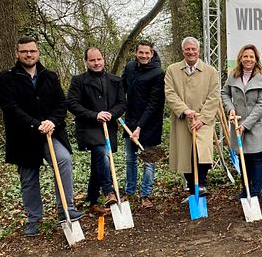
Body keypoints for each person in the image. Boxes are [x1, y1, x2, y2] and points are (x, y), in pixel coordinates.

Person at [0, 36, 83, 236]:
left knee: (64, 160)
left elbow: (61, 104)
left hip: (51, 133)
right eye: (24, 51)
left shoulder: (49, 76)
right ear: (17, 53)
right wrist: (35, 124)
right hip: (24, 137)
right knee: (29, 178)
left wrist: (52, 121)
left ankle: (66, 209)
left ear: (38, 53)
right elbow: (10, 108)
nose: (28, 54)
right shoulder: (6, 78)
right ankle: (34, 219)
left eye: (32, 51)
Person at [67, 47, 125, 214]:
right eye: (92, 60)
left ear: (103, 59)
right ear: (86, 62)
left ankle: (92, 200)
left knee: (98, 163)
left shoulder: (115, 80)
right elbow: (72, 103)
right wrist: (95, 115)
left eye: (99, 59)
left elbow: (122, 103)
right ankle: (109, 191)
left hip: (109, 126)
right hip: (89, 127)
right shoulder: (78, 81)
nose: (96, 63)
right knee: (101, 153)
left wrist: (110, 114)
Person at [164, 37, 219, 199]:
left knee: (202, 152)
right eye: (187, 49)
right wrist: (184, 110)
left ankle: (201, 184)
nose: (191, 52)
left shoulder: (210, 71)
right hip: (183, 118)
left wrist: (203, 118)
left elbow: (214, 96)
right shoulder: (172, 70)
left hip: (203, 120)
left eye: (193, 49)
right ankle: (191, 186)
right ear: (183, 51)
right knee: (185, 153)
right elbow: (170, 93)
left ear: (199, 51)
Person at [221, 44, 262, 199]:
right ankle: (245, 190)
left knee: (255, 158)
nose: (248, 59)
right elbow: (224, 93)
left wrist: (246, 124)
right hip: (237, 123)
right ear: (240, 58)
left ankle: (255, 193)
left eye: (251, 57)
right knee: (243, 159)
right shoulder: (233, 76)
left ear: (256, 60)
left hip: (255, 124)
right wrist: (230, 109)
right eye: (245, 56)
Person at [121, 40, 165, 208]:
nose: (144, 56)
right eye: (141, 53)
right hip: (130, 122)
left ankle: (145, 195)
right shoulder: (130, 67)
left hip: (150, 125)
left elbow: (154, 103)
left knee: (148, 161)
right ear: (136, 53)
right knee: (130, 160)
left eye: (147, 53)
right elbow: (122, 89)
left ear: (152, 54)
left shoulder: (158, 73)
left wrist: (140, 127)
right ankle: (130, 192)